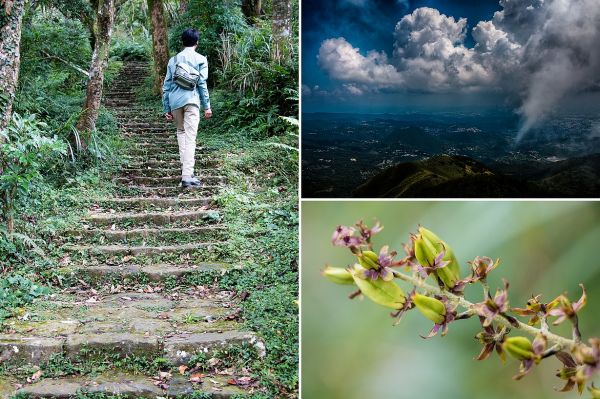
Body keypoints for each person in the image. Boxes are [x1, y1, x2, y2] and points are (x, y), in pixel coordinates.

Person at [162, 28, 213, 188]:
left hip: (175, 102)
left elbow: (167, 85)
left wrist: (166, 108)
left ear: (182, 42)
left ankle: (186, 172)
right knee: (190, 137)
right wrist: (207, 106)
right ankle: (187, 176)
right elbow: (202, 83)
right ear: (197, 42)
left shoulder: (174, 59)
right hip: (191, 101)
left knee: (181, 133)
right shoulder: (200, 59)